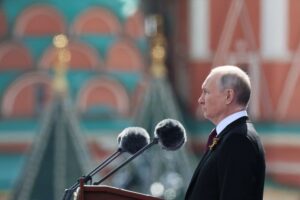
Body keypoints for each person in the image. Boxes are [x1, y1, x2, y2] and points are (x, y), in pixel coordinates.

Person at [185, 65, 265, 200]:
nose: (200, 100)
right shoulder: (229, 136)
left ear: (228, 96)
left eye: (206, 92)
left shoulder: (238, 141)